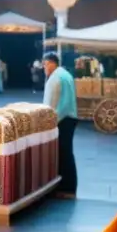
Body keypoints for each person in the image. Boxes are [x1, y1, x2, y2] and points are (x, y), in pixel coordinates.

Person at [42, 52, 78, 197]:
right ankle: (68, 188)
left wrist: (47, 122)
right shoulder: (65, 74)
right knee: (67, 153)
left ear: (51, 63)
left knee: (63, 154)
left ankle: (66, 189)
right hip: (70, 118)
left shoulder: (55, 78)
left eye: (45, 65)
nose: (44, 68)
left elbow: (51, 103)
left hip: (62, 119)